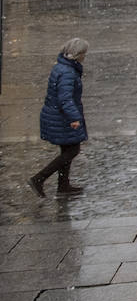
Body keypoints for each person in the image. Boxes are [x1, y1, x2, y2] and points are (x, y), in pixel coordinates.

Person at [29, 38, 89, 197]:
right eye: (84, 53)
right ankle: (39, 179)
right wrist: (75, 118)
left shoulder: (64, 67)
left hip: (58, 115)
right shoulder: (67, 73)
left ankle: (63, 186)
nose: (85, 57)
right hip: (61, 117)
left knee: (67, 148)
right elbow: (65, 99)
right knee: (72, 150)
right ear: (78, 54)